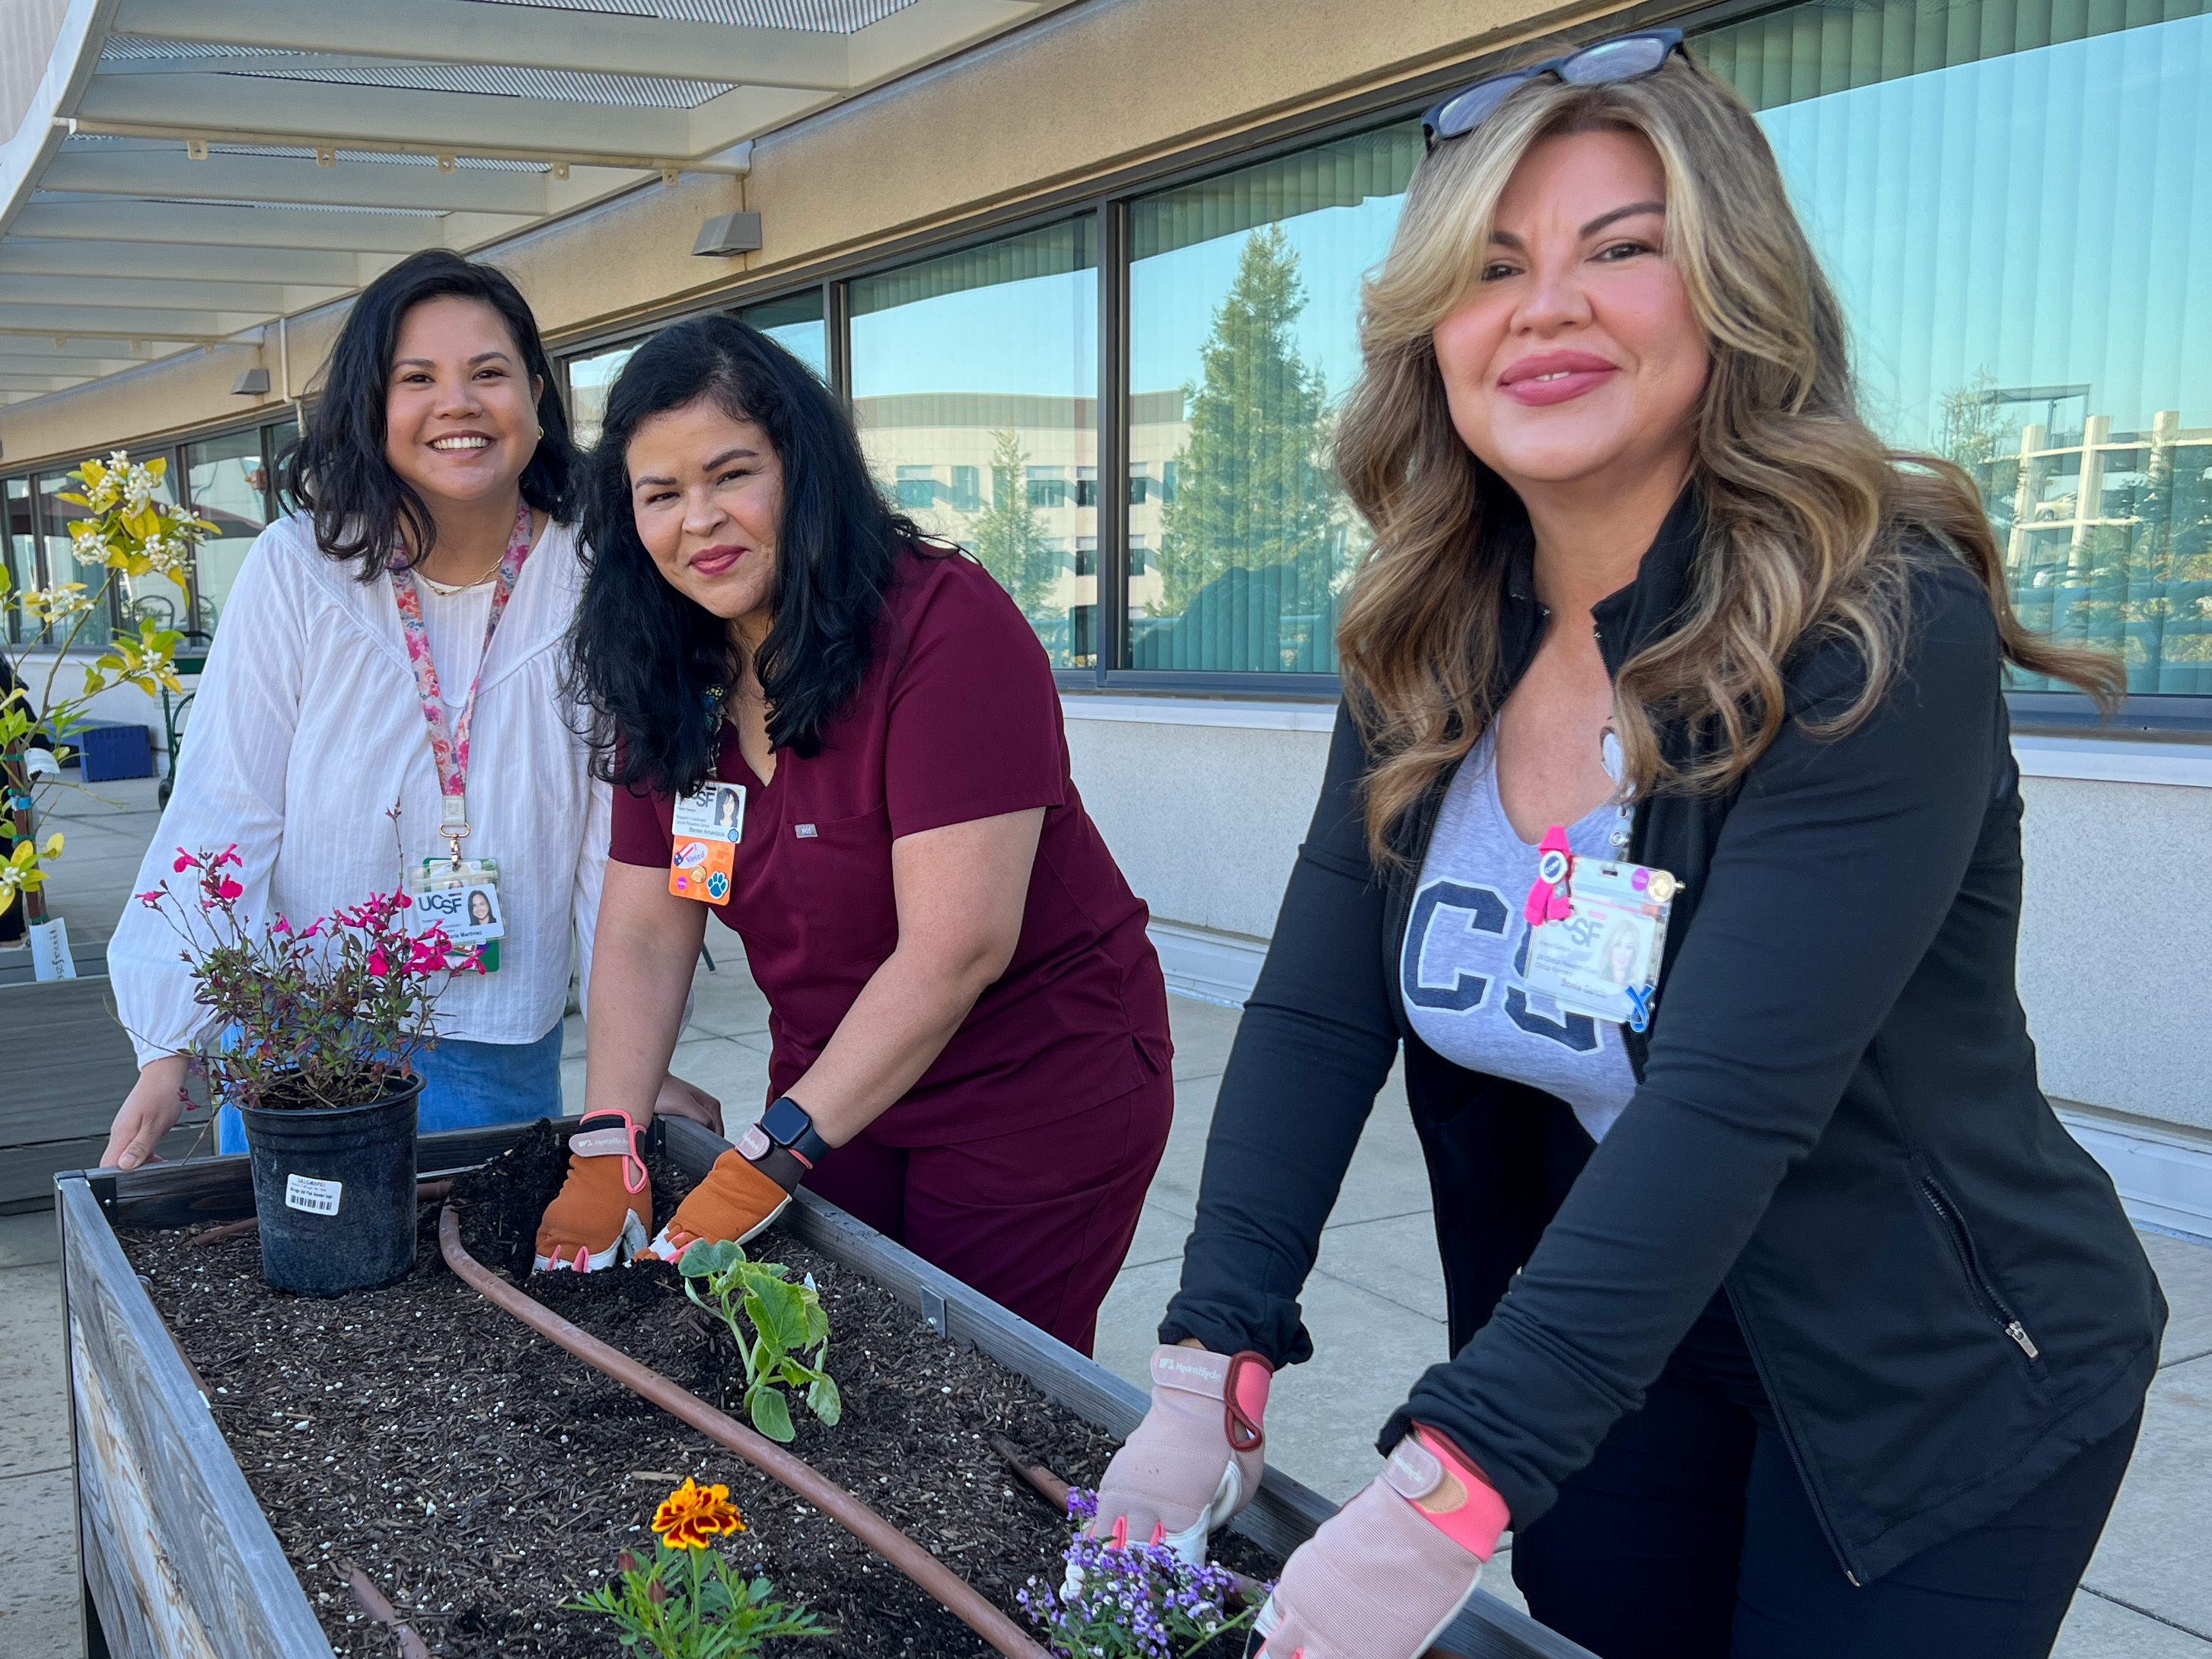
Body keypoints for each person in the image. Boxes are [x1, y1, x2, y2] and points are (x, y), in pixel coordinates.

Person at [1087, 33, 2164, 1659]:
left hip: (1933, 1365)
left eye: (1621, 249)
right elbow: (1317, 1010)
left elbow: (1730, 1102)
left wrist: (1454, 1483)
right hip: (1624, 1328)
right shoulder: (1425, 633)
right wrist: (1205, 1356)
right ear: (1432, 332)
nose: (1547, 307)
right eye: (1492, 265)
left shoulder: (1872, 633)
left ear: (1731, 290)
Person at [531, 315, 1173, 1355]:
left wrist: (766, 1157)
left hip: (1034, 1087)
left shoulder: (942, 626)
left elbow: (953, 945)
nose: (699, 521)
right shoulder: (667, 666)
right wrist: (613, 1138)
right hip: (841, 1081)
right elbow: (650, 925)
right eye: (659, 495)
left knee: (977, 1403)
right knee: (832, 1372)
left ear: (804, 469)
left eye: (731, 474)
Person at [101, 250, 718, 1164]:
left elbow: (609, 836)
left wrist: (637, 1063)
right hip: (300, 1047)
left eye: (488, 372)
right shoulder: (298, 568)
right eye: (416, 378)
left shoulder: (601, 574)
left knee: (474, 1284)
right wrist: (168, 1040)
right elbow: (226, 804)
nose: (457, 404)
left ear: (537, 397)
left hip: (501, 1041)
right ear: (370, 404)